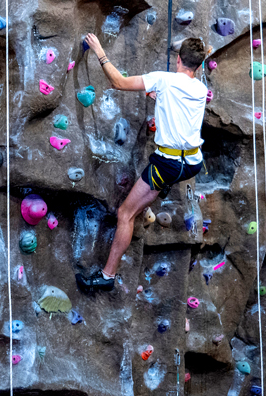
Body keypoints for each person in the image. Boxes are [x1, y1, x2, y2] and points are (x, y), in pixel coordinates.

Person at [76, 33, 209, 293]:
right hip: (192, 162)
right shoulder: (201, 90)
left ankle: (107, 275)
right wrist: (161, 99)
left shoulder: (164, 79)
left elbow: (118, 82)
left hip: (167, 164)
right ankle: (162, 184)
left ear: (179, 59)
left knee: (126, 214)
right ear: (199, 66)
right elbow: (180, 109)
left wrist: (98, 50)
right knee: (157, 182)